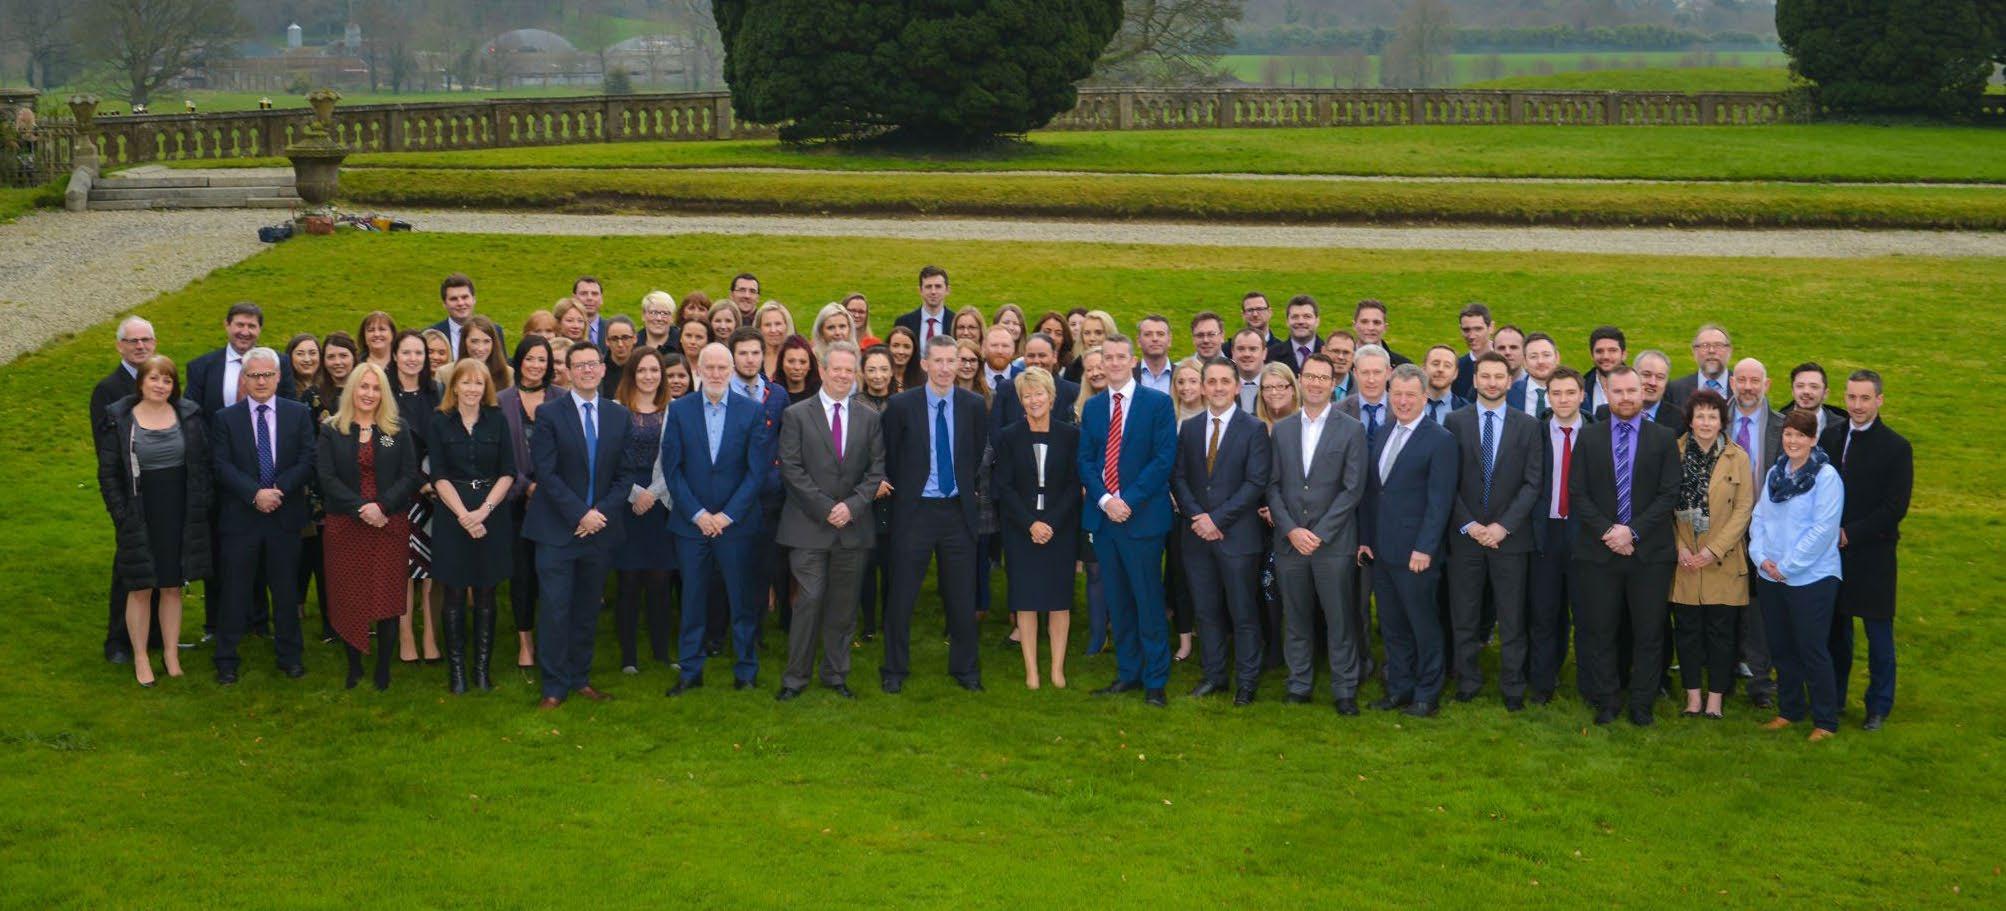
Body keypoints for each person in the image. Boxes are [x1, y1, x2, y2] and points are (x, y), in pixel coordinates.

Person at [523, 343, 641, 709]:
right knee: (555, 610)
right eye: (579, 365)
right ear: (569, 372)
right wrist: (580, 514)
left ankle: (580, 678)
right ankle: (553, 687)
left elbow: (626, 474)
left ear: (603, 370)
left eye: (593, 364)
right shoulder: (549, 414)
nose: (587, 370)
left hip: (599, 530)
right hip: (557, 531)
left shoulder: (618, 416)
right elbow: (546, 472)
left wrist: (599, 514)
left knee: (587, 609)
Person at [1569, 366, 1682, 727]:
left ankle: (1642, 704)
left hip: (1649, 555)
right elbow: (1578, 492)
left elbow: (1669, 494)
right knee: (1602, 631)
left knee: (1649, 633)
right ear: (1606, 392)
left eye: (1632, 390)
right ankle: (1607, 700)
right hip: (1599, 553)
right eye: (1618, 392)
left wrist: (1631, 533)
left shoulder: (1663, 437)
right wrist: (1610, 532)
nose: (1626, 398)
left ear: (1642, 391)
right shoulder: (1589, 437)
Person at [774, 342, 885, 701]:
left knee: (843, 607)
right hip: (808, 526)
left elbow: (876, 471)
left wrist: (851, 507)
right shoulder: (796, 415)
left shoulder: (869, 417)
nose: (842, 375)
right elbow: (791, 469)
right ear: (821, 370)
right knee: (809, 600)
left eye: (849, 370)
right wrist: (826, 508)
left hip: (853, 528)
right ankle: (795, 678)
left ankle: (836, 675)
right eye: (836, 369)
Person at [881, 335, 988, 693]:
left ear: (959, 364)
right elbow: (891, 455)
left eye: (950, 361)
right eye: (937, 361)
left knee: (961, 597)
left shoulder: (974, 405)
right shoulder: (901, 405)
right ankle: (894, 669)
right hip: (915, 512)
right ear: (925, 364)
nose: (944, 368)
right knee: (901, 595)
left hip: (957, 511)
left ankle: (966, 670)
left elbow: (974, 455)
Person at [97, 355, 212, 686]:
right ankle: (141, 656)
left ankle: (171, 654)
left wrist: (200, 505)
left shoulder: (188, 416)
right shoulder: (120, 419)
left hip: (179, 511)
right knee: (141, 587)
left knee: (172, 586)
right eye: (154, 378)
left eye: (167, 380)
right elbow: (108, 473)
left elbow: (202, 465)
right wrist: (121, 514)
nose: (161, 385)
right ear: (141, 382)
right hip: (140, 512)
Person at [663, 344, 768, 695]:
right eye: (709, 367)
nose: (716, 373)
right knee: (692, 601)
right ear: (699, 370)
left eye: (723, 367)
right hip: (691, 525)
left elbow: (756, 472)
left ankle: (746, 671)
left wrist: (726, 516)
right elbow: (673, 470)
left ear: (732, 370)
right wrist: (698, 514)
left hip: (736, 525)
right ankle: (690, 671)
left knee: (741, 601)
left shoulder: (752, 411)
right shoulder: (679, 410)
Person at [1080, 333, 1178, 708]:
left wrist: (1127, 500)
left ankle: (1156, 680)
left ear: (1133, 360)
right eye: (1108, 357)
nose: (1115, 363)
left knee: (1148, 601)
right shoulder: (1093, 407)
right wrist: (1106, 501)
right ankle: (1128, 672)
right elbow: (1085, 460)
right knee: (1118, 601)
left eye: (1121, 356)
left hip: (1142, 519)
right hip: (1105, 520)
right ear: (1101, 363)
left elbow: (1163, 459)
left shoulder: (1157, 403)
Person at [1443, 352, 1546, 709]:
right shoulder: (1455, 422)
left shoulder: (1528, 426)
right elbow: (1447, 481)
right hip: (1466, 538)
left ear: (1509, 381)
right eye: (1484, 376)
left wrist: (1503, 526)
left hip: (1510, 540)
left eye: (1498, 376)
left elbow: (1533, 483)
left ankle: (1513, 686)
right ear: (1474, 380)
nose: (1491, 382)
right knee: (1465, 615)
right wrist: (1470, 525)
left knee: (1512, 617)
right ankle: (1467, 679)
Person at [1267, 352, 1369, 711]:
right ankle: (1299, 684)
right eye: (1310, 376)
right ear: (1300, 379)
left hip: (1333, 545)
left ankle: (1344, 689)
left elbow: (1352, 489)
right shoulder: (1282, 430)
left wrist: (1320, 533)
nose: (1315, 383)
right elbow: (1272, 486)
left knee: (1340, 620)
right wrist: (1292, 530)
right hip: (1290, 544)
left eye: (1323, 378)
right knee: (1295, 619)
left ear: (1333, 384)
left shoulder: (1351, 429)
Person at [209, 347, 316, 684]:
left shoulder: (298, 414)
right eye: (253, 375)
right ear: (244, 378)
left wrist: (278, 490)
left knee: (285, 592)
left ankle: (290, 657)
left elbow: (308, 459)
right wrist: (255, 494)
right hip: (242, 518)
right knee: (235, 592)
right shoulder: (225, 418)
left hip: (284, 516)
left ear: (278, 377)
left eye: (267, 374)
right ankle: (226, 660)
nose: (260, 381)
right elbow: (221, 465)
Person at [1174, 356, 1275, 705]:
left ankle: (1246, 681)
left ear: (1236, 387)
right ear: (1203, 387)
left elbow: (1255, 482)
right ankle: (1214, 675)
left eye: (1224, 382)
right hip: (1196, 537)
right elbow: (1179, 477)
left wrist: (1216, 520)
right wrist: (1198, 517)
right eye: (1211, 381)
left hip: (1238, 538)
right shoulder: (1189, 428)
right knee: (1206, 611)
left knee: (1243, 612)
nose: (1217, 388)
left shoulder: (1254, 428)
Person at [318, 363, 423, 691]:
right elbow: (326, 477)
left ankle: (383, 670)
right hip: (345, 525)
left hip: (388, 525)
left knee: (387, 596)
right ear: (352, 389)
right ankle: (354, 667)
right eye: (363, 387)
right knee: (349, 596)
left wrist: (382, 506)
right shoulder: (332, 429)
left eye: (376, 388)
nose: (369, 393)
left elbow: (409, 474)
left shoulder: (397, 428)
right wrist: (361, 508)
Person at [1359, 365, 1456, 716]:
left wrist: (1425, 548)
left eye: (1410, 395)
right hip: (1383, 552)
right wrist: (1366, 539)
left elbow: (1440, 501)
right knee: (1393, 626)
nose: (1402, 401)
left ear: (1424, 397)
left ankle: (1427, 694)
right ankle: (1399, 688)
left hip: (1416, 554)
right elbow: (1375, 492)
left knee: (1423, 626)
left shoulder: (1440, 440)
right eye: (1396, 394)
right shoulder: (1385, 432)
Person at [1822, 370, 1910, 731]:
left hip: (1874, 554)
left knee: (1878, 634)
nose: (1857, 405)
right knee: (1835, 632)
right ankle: (1834, 698)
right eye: (1851, 397)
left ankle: (1878, 706)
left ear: (1879, 400)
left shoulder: (1896, 447)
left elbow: (1894, 507)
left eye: (1865, 398)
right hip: (1831, 553)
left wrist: (1850, 533)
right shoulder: (1830, 436)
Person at [1749, 410, 1845, 741]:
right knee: (1781, 647)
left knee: (1811, 648)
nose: (1793, 441)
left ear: (1813, 439)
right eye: (1788, 434)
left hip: (1812, 578)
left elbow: (1822, 530)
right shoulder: (1776, 473)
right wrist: (1761, 559)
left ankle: (1825, 720)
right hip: (1771, 576)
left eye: (1801, 435)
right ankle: (1789, 710)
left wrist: (1786, 566)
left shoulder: (1826, 477)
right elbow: (1759, 517)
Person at [426, 358, 517, 694]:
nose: (472, 389)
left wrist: (483, 512)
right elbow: (438, 474)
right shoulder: (439, 421)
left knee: (486, 591)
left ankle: (481, 670)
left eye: (478, 383)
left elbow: (508, 471)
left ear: (486, 387)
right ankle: (457, 673)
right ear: (454, 386)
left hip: (491, 513)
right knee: (453, 591)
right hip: (453, 514)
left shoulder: (497, 419)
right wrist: (464, 515)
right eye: (465, 382)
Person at [1668, 389, 1755, 719]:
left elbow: (1744, 509)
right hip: (1684, 560)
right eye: (1700, 416)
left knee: (1721, 633)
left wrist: (1713, 550)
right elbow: (1663, 504)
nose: (1706, 422)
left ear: (1722, 421)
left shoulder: (1738, 458)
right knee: (1687, 631)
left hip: (1724, 560)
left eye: (1712, 416)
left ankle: (1715, 700)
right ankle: (1692, 699)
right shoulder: (1672, 453)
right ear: (1690, 420)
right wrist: (1679, 547)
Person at [992, 367, 1082, 689]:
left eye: (1039, 393)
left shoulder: (1070, 436)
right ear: (1021, 400)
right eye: (1027, 395)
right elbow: (1004, 486)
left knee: (1059, 600)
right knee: (1026, 599)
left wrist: (1050, 523)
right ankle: (1032, 670)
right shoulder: (1008, 436)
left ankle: (1057, 669)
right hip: (1021, 529)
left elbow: (1074, 486)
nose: (1034, 400)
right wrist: (1031, 523)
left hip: (1060, 528)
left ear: (1052, 397)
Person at [92, 316, 163, 664]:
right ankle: (118, 641)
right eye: (133, 341)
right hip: (129, 495)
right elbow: (106, 454)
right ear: (119, 346)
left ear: (155, 343)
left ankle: (155, 636)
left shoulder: (161, 381)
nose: (140, 346)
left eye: (146, 340)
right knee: (129, 569)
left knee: (161, 566)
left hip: (162, 491)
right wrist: (121, 508)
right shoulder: (108, 389)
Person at [610, 349, 675, 675]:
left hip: (661, 502)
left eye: (654, 370)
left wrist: (654, 493)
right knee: (629, 580)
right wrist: (636, 494)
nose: (649, 376)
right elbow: (610, 460)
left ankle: (662, 652)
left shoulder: (673, 411)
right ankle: (628, 657)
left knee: (660, 580)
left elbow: (677, 460)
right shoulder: (616, 410)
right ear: (631, 374)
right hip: (626, 502)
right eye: (642, 370)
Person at [1526, 367, 1587, 704]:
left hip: (1584, 532)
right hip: (1544, 532)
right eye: (1557, 393)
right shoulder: (1533, 432)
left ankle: (1590, 684)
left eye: (1570, 393)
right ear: (1548, 397)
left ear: (1582, 395)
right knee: (1544, 612)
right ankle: (1542, 683)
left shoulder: (1594, 432)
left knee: (1587, 614)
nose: (1563, 400)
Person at [1729, 356, 1783, 707]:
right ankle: (1723, 674)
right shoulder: (1713, 419)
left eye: (1755, 381)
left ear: (1767, 385)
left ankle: (1761, 683)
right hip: (1721, 528)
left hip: (1765, 530)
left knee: (1759, 609)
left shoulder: (1782, 426)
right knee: (1723, 603)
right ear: (1732, 382)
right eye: (1742, 380)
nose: (1747, 387)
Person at [499, 337, 553, 670]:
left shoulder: (561, 398)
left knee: (551, 573)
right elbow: (499, 453)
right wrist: (527, 487)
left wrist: (546, 489)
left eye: (542, 360)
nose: (535, 365)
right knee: (521, 574)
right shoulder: (501, 400)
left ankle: (551, 638)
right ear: (519, 361)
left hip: (555, 501)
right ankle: (525, 641)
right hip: (515, 499)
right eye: (530, 359)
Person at [391, 331, 443, 665]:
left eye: (419, 353)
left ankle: (431, 636)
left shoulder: (436, 392)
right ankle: (406, 634)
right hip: (400, 491)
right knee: (404, 568)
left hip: (436, 491)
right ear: (395, 355)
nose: (413, 359)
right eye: (406, 352)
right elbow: (384, 442)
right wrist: (418, 481)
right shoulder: (384, 393)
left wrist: (434, 482)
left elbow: (444, 437)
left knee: (432, 568)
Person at [286, 333, 332, 642]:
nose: (307, 358)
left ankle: (318, 610)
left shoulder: (322, 390)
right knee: (303, 547)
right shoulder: (288, 391)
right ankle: (298, 602)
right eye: (300, 353)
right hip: (300, 479)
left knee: (318, 548)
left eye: (313, 352)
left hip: (324, 481)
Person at [854, 346, 898, 642]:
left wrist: (889, 481)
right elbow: (850, 452)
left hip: (896, 494)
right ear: (863, 372)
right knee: (866, 563)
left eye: (883, 369)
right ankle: (868, 623)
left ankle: (890, 621)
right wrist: (872, 483)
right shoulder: (853, 405)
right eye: (872, 369)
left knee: (892, 563)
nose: (878, 375)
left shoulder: (902, 404)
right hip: (863, 494)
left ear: (892, 372)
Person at [187, 302, 295, 416]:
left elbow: (290, 407)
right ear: (227, 325)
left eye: (251, 326)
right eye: (240, 325)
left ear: (260, 329)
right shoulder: (200, 367)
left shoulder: (279, 362)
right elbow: (193, 413)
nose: (245, 332)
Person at [990, 333, 1081, 431]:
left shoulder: (1073, 391)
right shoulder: (1007, 388)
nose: (1036, 361)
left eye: (1042, 355)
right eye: (1031, 356)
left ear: (1054, 356)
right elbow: (995, 430)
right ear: (1024, 358)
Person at [432, 273, 505, 357]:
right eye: (453, 299)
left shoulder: (495, 331)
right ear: (444, 304)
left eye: (465, 297)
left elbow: (501, 362)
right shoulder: (433, 334)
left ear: (474, 299)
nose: (460, 303)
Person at [1666, 323, 1733, 408]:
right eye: (1705, 346)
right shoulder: (1675, 390)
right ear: (1694, 351)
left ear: (1729, 350)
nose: (1711, 350)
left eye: (1718, 345)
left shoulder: (1743, 387)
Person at [1336, 344, 1392, 442]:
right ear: (1355, 373)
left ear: (1388, 373)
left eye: (1377, 372)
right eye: (1365, 372)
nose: (1371, 380)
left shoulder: (1401, 409)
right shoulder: (1338, 410)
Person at [893, 264, 955, 347]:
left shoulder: (955, 322)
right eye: (928, 287)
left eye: (938, 286)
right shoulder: (904, 323)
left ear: (947, 290)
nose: (933, 291)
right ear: (920, 290)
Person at [1785, 362, 1848, 439]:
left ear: (1825, 393)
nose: (1806, 391)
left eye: (1814, 387)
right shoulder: (1777, 422)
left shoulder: (1843, 428)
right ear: (1792, 391)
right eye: (1800, 386)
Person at [1508, 332, 1560, 418]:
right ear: (1524, 362)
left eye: (1546, 355)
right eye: (1533, 356)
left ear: (1557, 357)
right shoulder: (1510, 394)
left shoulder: (1575, 393)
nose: (1540, 361)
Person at [1265, 295, 1323, 371]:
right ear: (1287, 321)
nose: (1300, 321)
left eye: (1307, 316)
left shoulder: (1328, 353)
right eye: (1295, 317)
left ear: (1317, 321)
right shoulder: (1271, 355)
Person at [1452, 302, 1494, 401]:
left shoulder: (1508, 360)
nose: (1471, 336)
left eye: (1478, 329)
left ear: (1491, 328)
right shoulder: (1457, 369)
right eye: (1466, 330)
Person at [1583, 326, 1628, 415]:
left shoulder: (1639, 386)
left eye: (1612, 350)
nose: (1605, 356)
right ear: (1592, 355)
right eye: (1599, 351)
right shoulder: (1582, 387)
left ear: (1624, 355)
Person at [460, 315, 514, 389]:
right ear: (464, 342)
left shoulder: (508, 373)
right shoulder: (448, 372)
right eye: (474, 341)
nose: (480, 348)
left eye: (486, 341)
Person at [1352, 299, 1410, 366]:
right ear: (1354, 325)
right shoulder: (1343, 364)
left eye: (1376, 322)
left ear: (1385, 327)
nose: (1371, 327)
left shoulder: (1403, 365)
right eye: (1364, 322)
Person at [1421, 344, 1467, 424]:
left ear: (1455, 373)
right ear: (1423, 369)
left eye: (1447, 366)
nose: (1440, 369)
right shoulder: (1406, 404)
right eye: (1435, 364)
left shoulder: (1467, 411)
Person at [1133, 315, 1175, 393]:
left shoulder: (1181, 374)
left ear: (1169, 340)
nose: (1155, 339)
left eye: (1160, 334)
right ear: (1138, 341)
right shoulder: (1128, 375)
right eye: (1148, 334)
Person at [755, 301, 796, 379]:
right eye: (767, 325)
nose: (773, 330)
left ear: (786, 326)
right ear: (759, 328)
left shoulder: (797, 356)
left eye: (778, 324)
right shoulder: (752, 357)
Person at [1230, 330, 1268, 413]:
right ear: (1233, 353)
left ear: (1264, 353)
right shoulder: (1223, 386)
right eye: (1241, 349)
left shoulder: (1277, 387)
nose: (1246, 354)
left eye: (1253, 349)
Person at [779, 334, 821, 401]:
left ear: (810, 365)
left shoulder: (821, 394)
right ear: (781, 363)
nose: (797, 367)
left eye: (803, 362)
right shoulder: (772, 394)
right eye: (791, 361)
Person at [600, 316, 638, 390]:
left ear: (635, 339)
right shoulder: (599, 370)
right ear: (607, 341)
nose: (620, 344)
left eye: (625, 338)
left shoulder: (643, 368)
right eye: (614, 339)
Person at [980, 325, 1017, 394]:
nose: (1000, 351)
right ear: (983, 348)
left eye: (1005, 346)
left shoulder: (1022, 378)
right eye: (994, 345)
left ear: (1013, 349)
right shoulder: (972, 377)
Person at [1323, 329, 1357, 400]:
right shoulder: (1307, 386)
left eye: (1346, 352)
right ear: (1324, 351)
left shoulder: (1364, 390)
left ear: (1353, 356)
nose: (1340, 357)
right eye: (1335, 351)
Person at [572, 276, 606, 345]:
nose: (589, 298)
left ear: (601, 299)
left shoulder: (611, 329)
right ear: (574, 298)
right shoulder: (562, 329)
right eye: (583, 293)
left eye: (594, 294)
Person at [886, 325, 921, 393]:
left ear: (914, 350)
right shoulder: (879, 377)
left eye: (907, 347)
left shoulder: (924, 380)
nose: (901, 352)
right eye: (895, 346)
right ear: (887, 347)